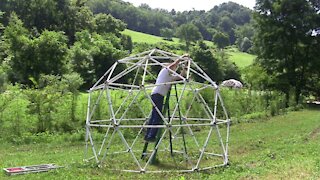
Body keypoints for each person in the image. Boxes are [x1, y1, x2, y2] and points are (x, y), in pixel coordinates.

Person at [144, 55, 188, 142]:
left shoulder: (170, 76)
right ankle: (151, 136)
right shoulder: (165, 70)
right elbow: (175, 64)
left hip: (157, 95)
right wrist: (183, 57)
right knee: (157, 116)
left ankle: (148, 135)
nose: (174, 68)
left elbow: (181, 76)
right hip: (157, 95)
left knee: (154, 115)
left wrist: (185, 67)